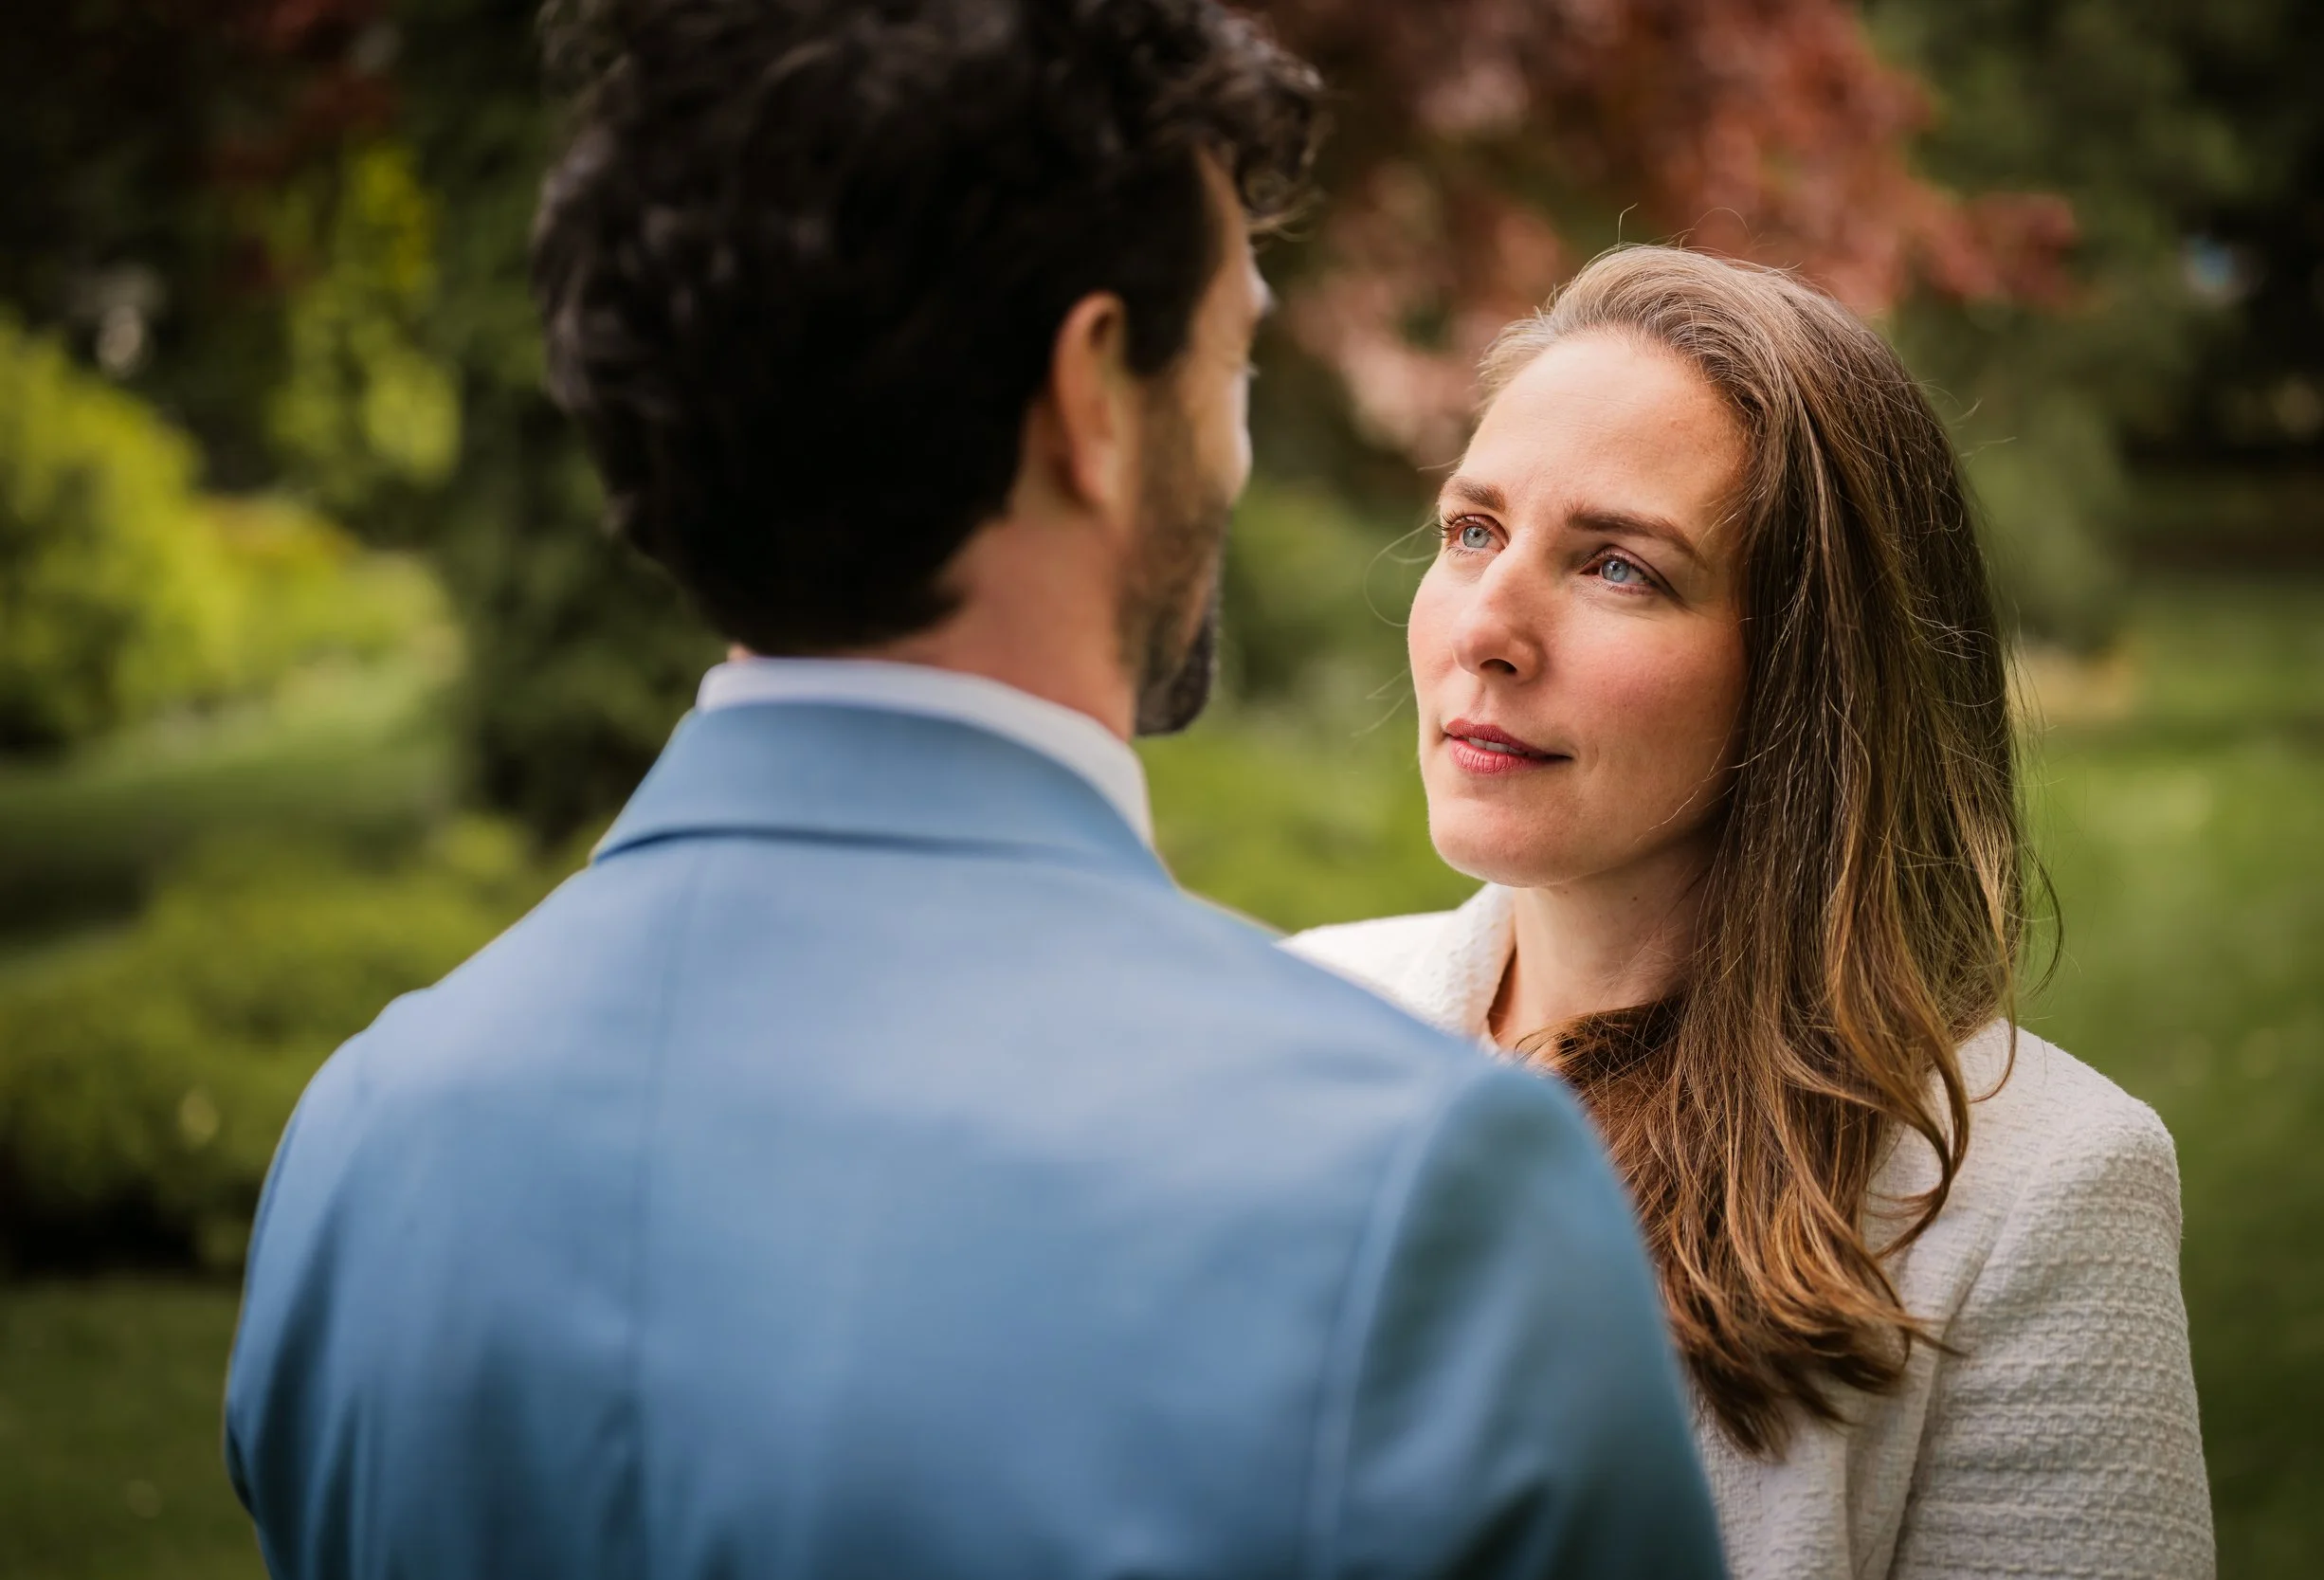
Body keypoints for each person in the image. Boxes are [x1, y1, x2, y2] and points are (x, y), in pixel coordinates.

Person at [223, 5, 1725, 1577]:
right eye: (1231, 353)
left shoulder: (367, 1143)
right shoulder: (1425, 1201)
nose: (1234, 443)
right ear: (1094, 396)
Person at [1290, 246, 2214, 1580]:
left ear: (1804, 665)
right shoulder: (1308, 1020)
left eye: (1617, 565)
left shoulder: (2034, 1188)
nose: (1485, 625)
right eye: (1473, 529)